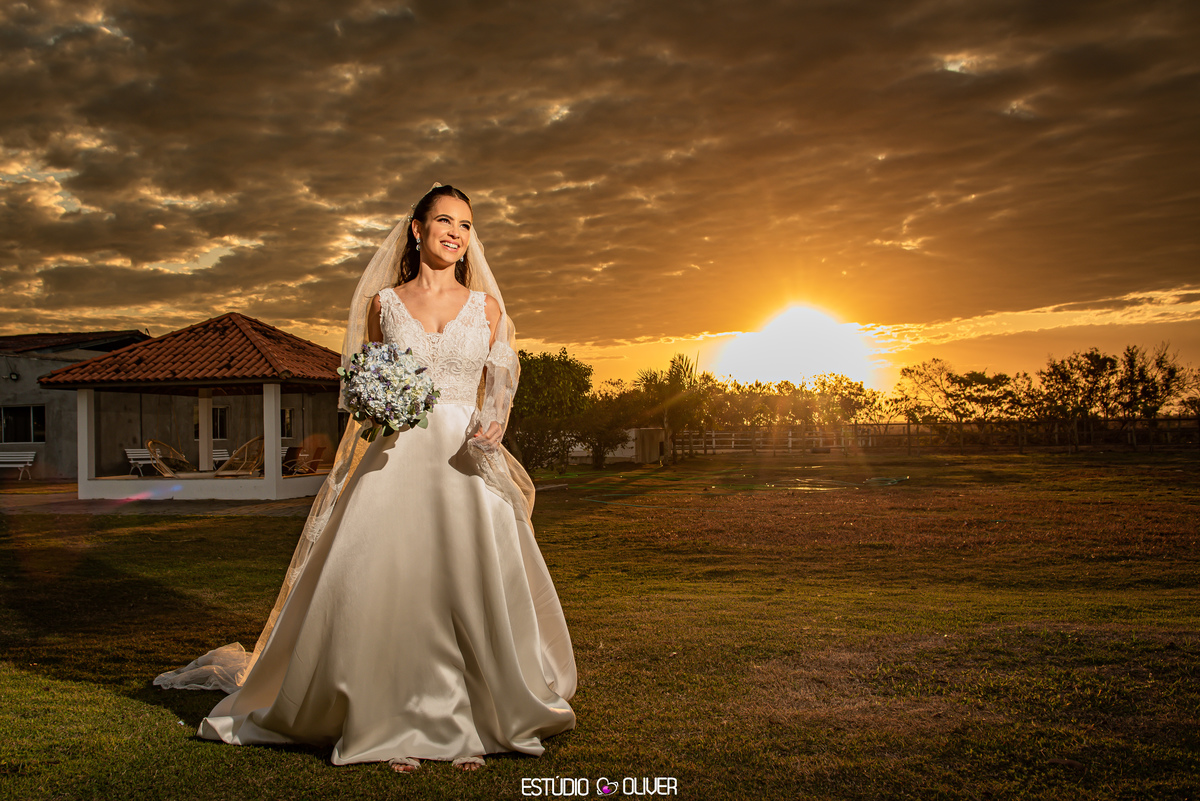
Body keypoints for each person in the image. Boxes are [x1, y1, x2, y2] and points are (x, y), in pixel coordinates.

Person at [155, 184, 577, 773]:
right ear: (417, 229)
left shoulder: (486, 308)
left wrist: (493, 421)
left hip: (462, 459)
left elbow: (501, 381)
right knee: (389, 586)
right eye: (444, 221)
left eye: (465, 225)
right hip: (396, 456)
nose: (456, 234)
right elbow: (367, 379)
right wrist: (379, 402)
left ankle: (470, 721)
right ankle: (390, 720)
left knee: (464, 585)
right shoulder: (383, 305)